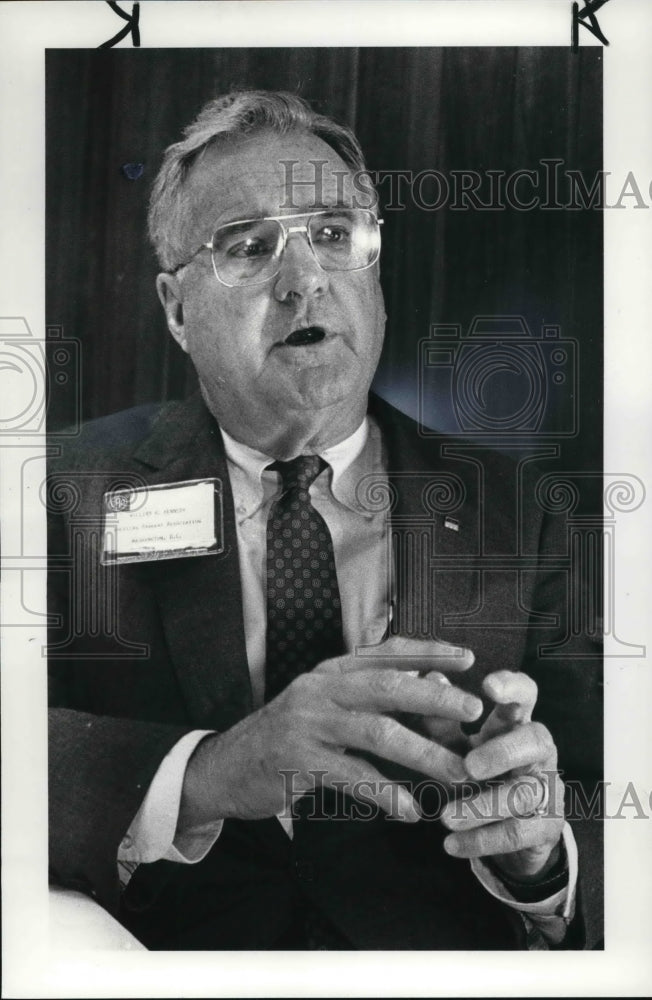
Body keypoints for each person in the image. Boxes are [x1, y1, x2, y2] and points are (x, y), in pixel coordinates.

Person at [48, 90, 601, 950]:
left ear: (373, 277)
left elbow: (613, 816)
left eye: (336, 236)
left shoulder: (530, 516)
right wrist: (207, 773)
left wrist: (542, 858)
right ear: (174, 307)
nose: (304, 278)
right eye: (250, 247)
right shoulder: (56, 491)